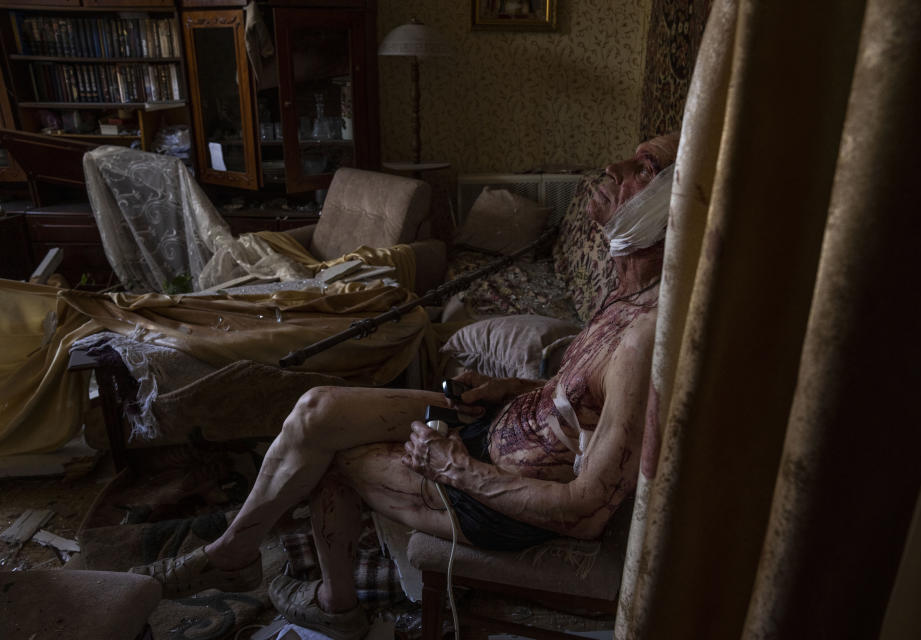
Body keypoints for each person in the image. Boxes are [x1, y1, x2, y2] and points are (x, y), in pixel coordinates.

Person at [130, 132, 680, 640]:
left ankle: (330, 601)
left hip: (503, 498)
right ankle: (238, 553)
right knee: (316, 408)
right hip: (498, 426)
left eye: (645, 166)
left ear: (670, 206)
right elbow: (582, 396)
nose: (615, 166)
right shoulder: (625, 290)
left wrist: (453, 467)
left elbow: (585, 512)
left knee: (328, 456)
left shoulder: (644, 340)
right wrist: (506, 387)